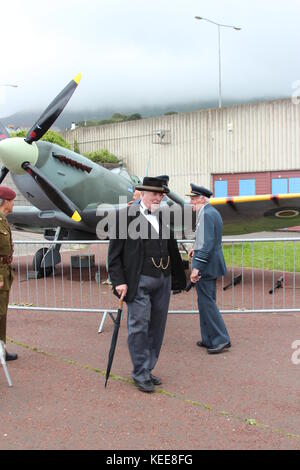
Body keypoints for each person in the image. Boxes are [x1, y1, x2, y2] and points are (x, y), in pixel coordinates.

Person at [108, 176, 186, 393]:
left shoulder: (162, 218)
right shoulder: (124, 217)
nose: (159, 198)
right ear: (143, 194)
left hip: (163, 279)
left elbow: (169, 248)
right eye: (155, 194)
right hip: (139, 280)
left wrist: (181, 274)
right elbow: (114, 255)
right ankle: (139, 371)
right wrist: (119, 281)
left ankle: (148, 368)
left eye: (161, 194)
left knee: (157, 327)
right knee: (139, 326)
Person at [187, 183, 231, 354]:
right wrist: (194, 247)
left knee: (207, 303)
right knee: (205, 302)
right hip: (211, 264)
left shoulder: (206, 214)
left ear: (202, 199)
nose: (190, 202)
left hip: (207, 266)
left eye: (193, 198)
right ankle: (209, 338)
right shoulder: (209, 212)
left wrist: (197, 267)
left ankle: (221, 339)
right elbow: (205, 239)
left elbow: (207, 244)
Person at [0, 186, 18, 361]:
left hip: (5, 271)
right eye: (12, 200)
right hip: (0, 273)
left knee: (2, 313)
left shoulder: (3, 221)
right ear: (5, 202)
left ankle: (1, 349)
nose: (13, 203)